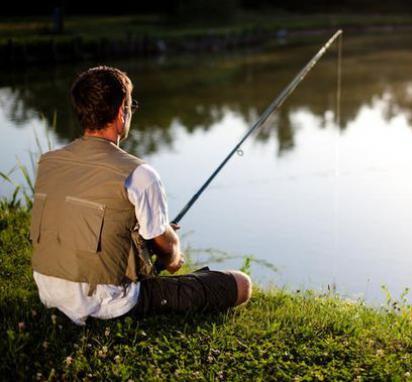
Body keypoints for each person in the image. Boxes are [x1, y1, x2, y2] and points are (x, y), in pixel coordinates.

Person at [30, 66, 252, 325]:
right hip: (105, 303)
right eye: (130, 106)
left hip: (49, 292)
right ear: (120, 113)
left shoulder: (49, 162)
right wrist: (173, 255)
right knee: (241, 284)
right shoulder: (138, 174)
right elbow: (166, 248)